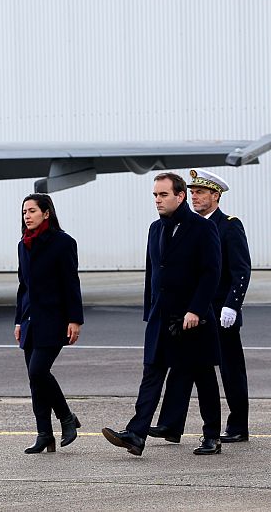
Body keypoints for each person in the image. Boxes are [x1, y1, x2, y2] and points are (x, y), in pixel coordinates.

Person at [103, 172, 222, 456]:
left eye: (163, 194)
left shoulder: (202, 228)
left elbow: (211, 273)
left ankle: (212, 436)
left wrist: (196, 309)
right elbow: (152, 273)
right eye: (155, 195)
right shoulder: (155, 228)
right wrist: (150, 311)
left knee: (203, 377)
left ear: (180, 196)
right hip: (161, 317)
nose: (157, 200)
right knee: (152, 374)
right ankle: (136, 434)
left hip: (192, 320)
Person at [149, 169, 251, 444]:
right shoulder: (184, 225)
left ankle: (238, 425)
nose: (195, 197)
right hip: (193, 313)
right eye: (192, 192)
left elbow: (241, 270)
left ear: (215, 196)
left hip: (221, 312)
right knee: (187, 368)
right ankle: (171, 424)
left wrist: (232, 305)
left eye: (201, 193)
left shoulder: (228, 225)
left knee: (230, 372)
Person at [14, 193, 83, 454]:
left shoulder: (63, 243)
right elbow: (23, 286)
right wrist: (19, 320)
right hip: (30, 320)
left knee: (38, 372)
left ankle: (67, 417)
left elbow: (71, 283)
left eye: (32, 211)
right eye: (24, 212)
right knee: (35, 381)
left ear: (46, 213)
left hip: (55, 320)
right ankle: (44, 434)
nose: (27, 216)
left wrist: (75, 319)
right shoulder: (24, 244)